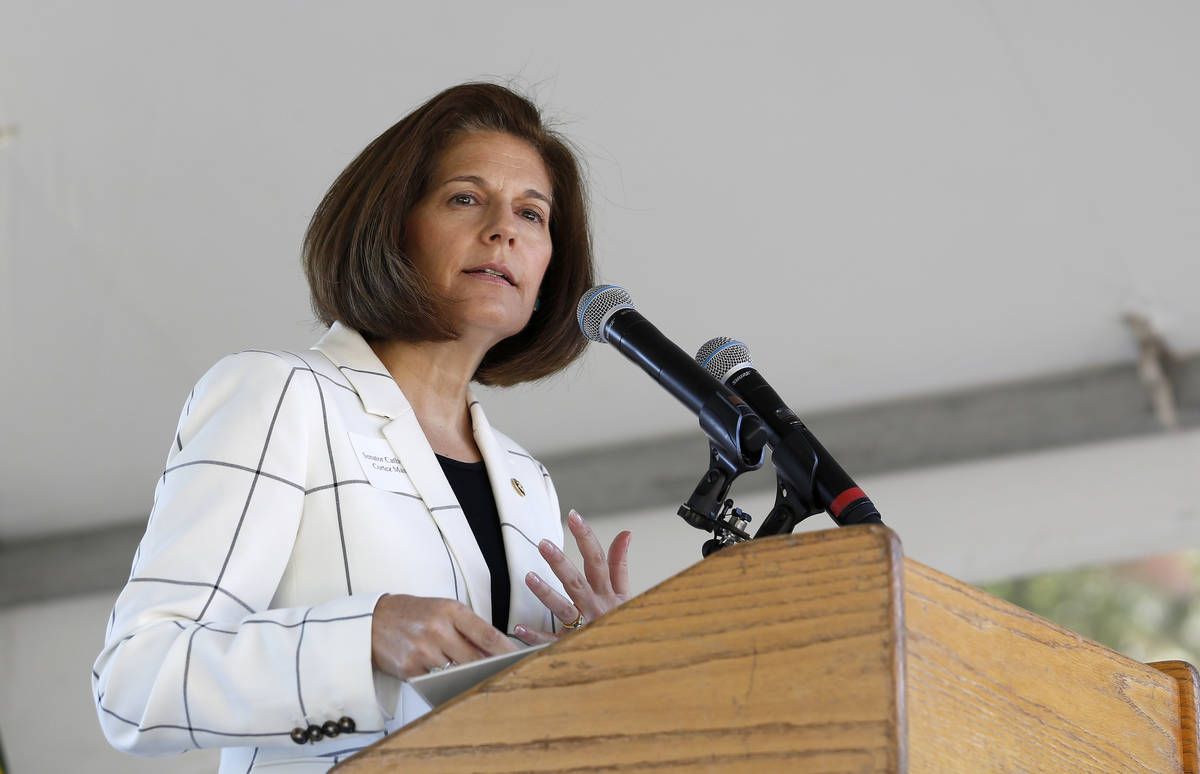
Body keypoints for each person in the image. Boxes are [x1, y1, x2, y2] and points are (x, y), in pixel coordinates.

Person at [92, 82, 632, 773]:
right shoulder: (282, 395)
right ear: (392, 225)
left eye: (532, 213)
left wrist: (605, 656)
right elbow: (135, 684)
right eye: (466, 198)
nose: (505, 229)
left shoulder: (528, 482)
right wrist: (363, 638)